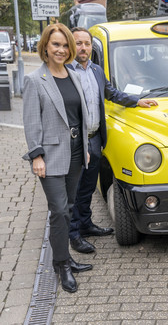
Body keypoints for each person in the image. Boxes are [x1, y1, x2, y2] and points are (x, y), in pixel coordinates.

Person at [68, 27, 158, 254]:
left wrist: (136, 102)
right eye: (78, 43)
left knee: (88, 186)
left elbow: (110, 92)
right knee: (73, 190)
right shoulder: (65, 72)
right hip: (75, 141)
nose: (83, 48)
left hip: (95, 137)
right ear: (71, 45)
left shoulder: (97, 70)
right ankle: (74, 234)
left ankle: (86, 224)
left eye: (87, 43)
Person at [22, 24, 93, 293]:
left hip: (76, 152)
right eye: (55, 45)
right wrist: (36, 155)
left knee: (70, 205)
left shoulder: (72, 75)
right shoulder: (34, 79)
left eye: (65, 45)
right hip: (50, 155)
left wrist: (85, 146)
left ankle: (65, 257)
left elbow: (81, 115)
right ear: (45, 47)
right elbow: (31, 121)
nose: (61, 50)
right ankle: (61, 264)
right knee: (60, 210)